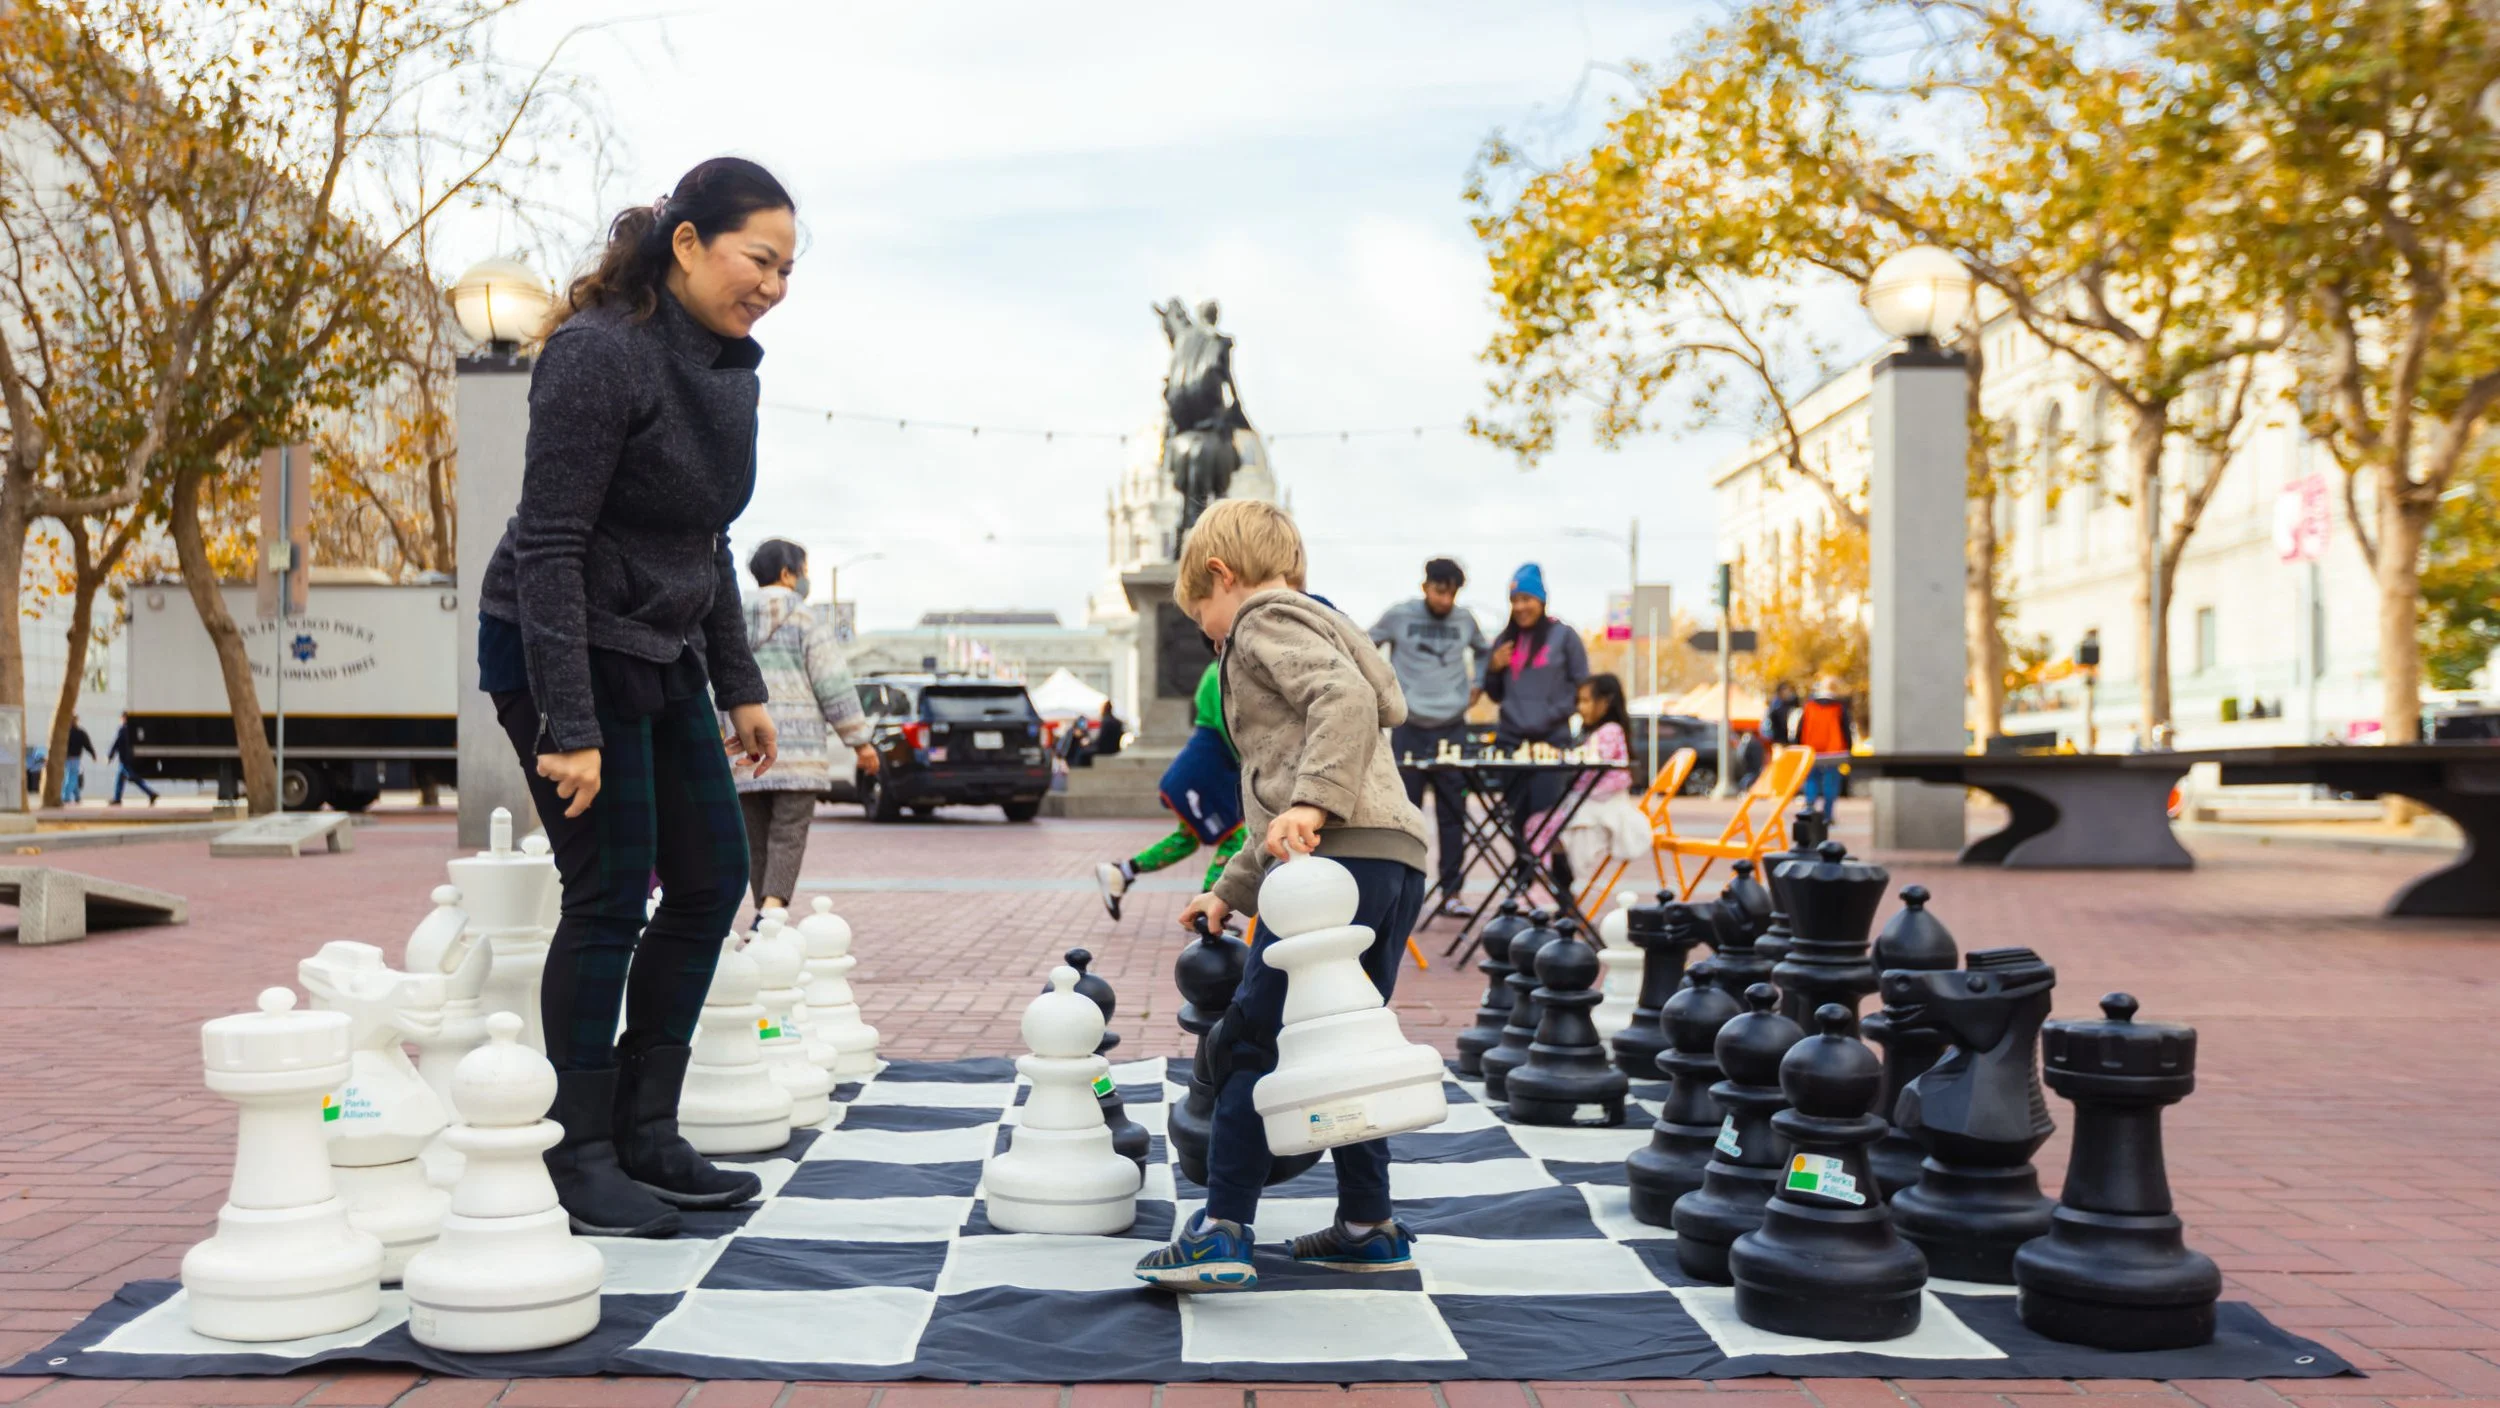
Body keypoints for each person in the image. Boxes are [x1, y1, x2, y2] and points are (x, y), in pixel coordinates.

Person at [474, 157, 795, 1240]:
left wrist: (740, 685)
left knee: (712, 879)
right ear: (689, 241)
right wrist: (570, 727)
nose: (774, 285)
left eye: (789, 268)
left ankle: (650, 1131)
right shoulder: (596, 353)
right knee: (612, 888)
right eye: (760, 258)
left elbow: (703, 537)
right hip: (555, 638)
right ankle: (582, 1148)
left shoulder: (727, 370)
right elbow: (555, 541)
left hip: (658, 649)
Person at [1134, 499, 1429, 1291]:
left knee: (1247, 1046)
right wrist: (1232, 887)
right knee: (1343, 1038)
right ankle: (1368, 1224)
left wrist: (1313, 805)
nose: (1211, 636)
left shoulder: (1262, 623)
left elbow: (1344, 707)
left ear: (1221, 578)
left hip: (1336, 863)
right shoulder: (1322, 622)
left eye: (1204, 619)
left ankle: (1224, 1227)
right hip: (1390, 858)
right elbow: (1280, 801)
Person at [736, 538, 877, 914]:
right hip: (796, 752)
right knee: (788, 835)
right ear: (787, 574)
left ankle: (764, 919)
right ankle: (772, 912)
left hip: (743, 748)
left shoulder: (728, 616)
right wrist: (860, 742)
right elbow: (832, 683)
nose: (806, 579)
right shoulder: (805, 618)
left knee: (756, 841)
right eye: (805, 571)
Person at [1370, 557, 1490, 919]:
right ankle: (1403, 892)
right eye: (1440, 591)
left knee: (1454, 814)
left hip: (1453, 727)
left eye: (1452, 593)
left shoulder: (1465, 620)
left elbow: (1484, 651)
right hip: (1410, 726)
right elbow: (1363, 644)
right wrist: (1380, 687)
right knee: (1406, 813)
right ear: (1425, 587)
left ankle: (1452, 893)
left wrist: (1479, 682)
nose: (1445, 600)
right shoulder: (1400, 615)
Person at [1095, 660, 1246, 920]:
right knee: (1234, 837)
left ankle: (1122, 872)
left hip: (1204, 772)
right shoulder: (1218, 671)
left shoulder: (1219, 669)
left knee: (1187, 839)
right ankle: (1205, 913)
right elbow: (1228, 724)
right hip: (1203, 772)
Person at [1481, 563, 1589, 888]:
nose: (1520, 607)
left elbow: (1582, 687)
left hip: (1551, 741)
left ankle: (1559, 883)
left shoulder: (1565, 637)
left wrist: (1551, 715)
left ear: (1542, 600)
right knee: (1516, 819)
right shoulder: (1504, 640)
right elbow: (1495, 693)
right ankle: (1525, 885)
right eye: (1514, 600)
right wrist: (1493, 668)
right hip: (1511, 741)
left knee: (1546, 818)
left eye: (1527, 599)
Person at [1526, 674, 1646, 894]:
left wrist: (1557, 755)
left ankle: (1548, 891)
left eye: (1586, 701)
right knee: (1539, 827)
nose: (1580, 708)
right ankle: (1556, 890)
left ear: (1605, 702)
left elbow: (1590, 759)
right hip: (1589, 806)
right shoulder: (1602, 732)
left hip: (1599, 810)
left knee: (1539, 828)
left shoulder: (1609, 731)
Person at [1795, 675, 1855, 821]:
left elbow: (1800, 728)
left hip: (1812, 749)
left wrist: (1798, 746)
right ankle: (1827, 815)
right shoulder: (1839, 707)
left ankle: (1809, 808)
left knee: (1812, 779)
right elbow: (1845, 730)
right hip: (1834, 750)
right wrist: (1849, 748)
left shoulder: (1809, 706)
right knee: (1831, 782)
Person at [108, 716, 157, 806]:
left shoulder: (123, 729)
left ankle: (151, 793)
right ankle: (117, 798)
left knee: (134, 779)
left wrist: (110, 756)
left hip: (125, 760)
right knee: (121, 779)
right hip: (131, 759)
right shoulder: (135, 729)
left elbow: (117, 743)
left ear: (124, 718)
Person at [61, 716, 94, 803]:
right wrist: (93, 754)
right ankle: (70, 797)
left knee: (70, 777)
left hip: (68, 759)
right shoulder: (80, 732)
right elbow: (87, 745)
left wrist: (93, 754)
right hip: (74, 759)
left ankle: (71, 796)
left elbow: (87, 745)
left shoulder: (66, 732)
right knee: (72, 777)